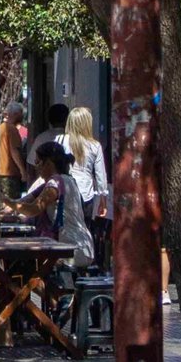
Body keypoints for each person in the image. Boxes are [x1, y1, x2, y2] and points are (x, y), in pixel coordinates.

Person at [6, 140, 94, 270]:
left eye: (38, 162)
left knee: (22, 266)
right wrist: (5, 210)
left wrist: (6, 201)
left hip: (72, 249)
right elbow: (25, 200)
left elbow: (33, 209)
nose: (36, 167)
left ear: (48, 163)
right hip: (82, 246)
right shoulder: (66, 180)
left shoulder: (56, 183)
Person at [61, 106, 110, 256]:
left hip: (66, 191)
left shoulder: (62, 140)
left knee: (66, 226)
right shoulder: (94, 145)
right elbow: (101, 175)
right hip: (86, 193)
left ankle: (68, 257)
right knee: (85, 227)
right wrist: (103, 198)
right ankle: (85, 257)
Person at [0, 102, 28, 200]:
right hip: (10, 174)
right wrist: (23, 171)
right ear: (14, 114)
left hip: (0, 173)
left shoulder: (0, 128)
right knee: (12, 204)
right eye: (20, 114)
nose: (22, 117)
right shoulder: (11, 129)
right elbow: (14, 151)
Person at [26, 102, 70, 168]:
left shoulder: (41, 138)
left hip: (46, 177)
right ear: (67, 119)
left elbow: (32, 163)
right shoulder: (73, 139)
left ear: (49, 120)